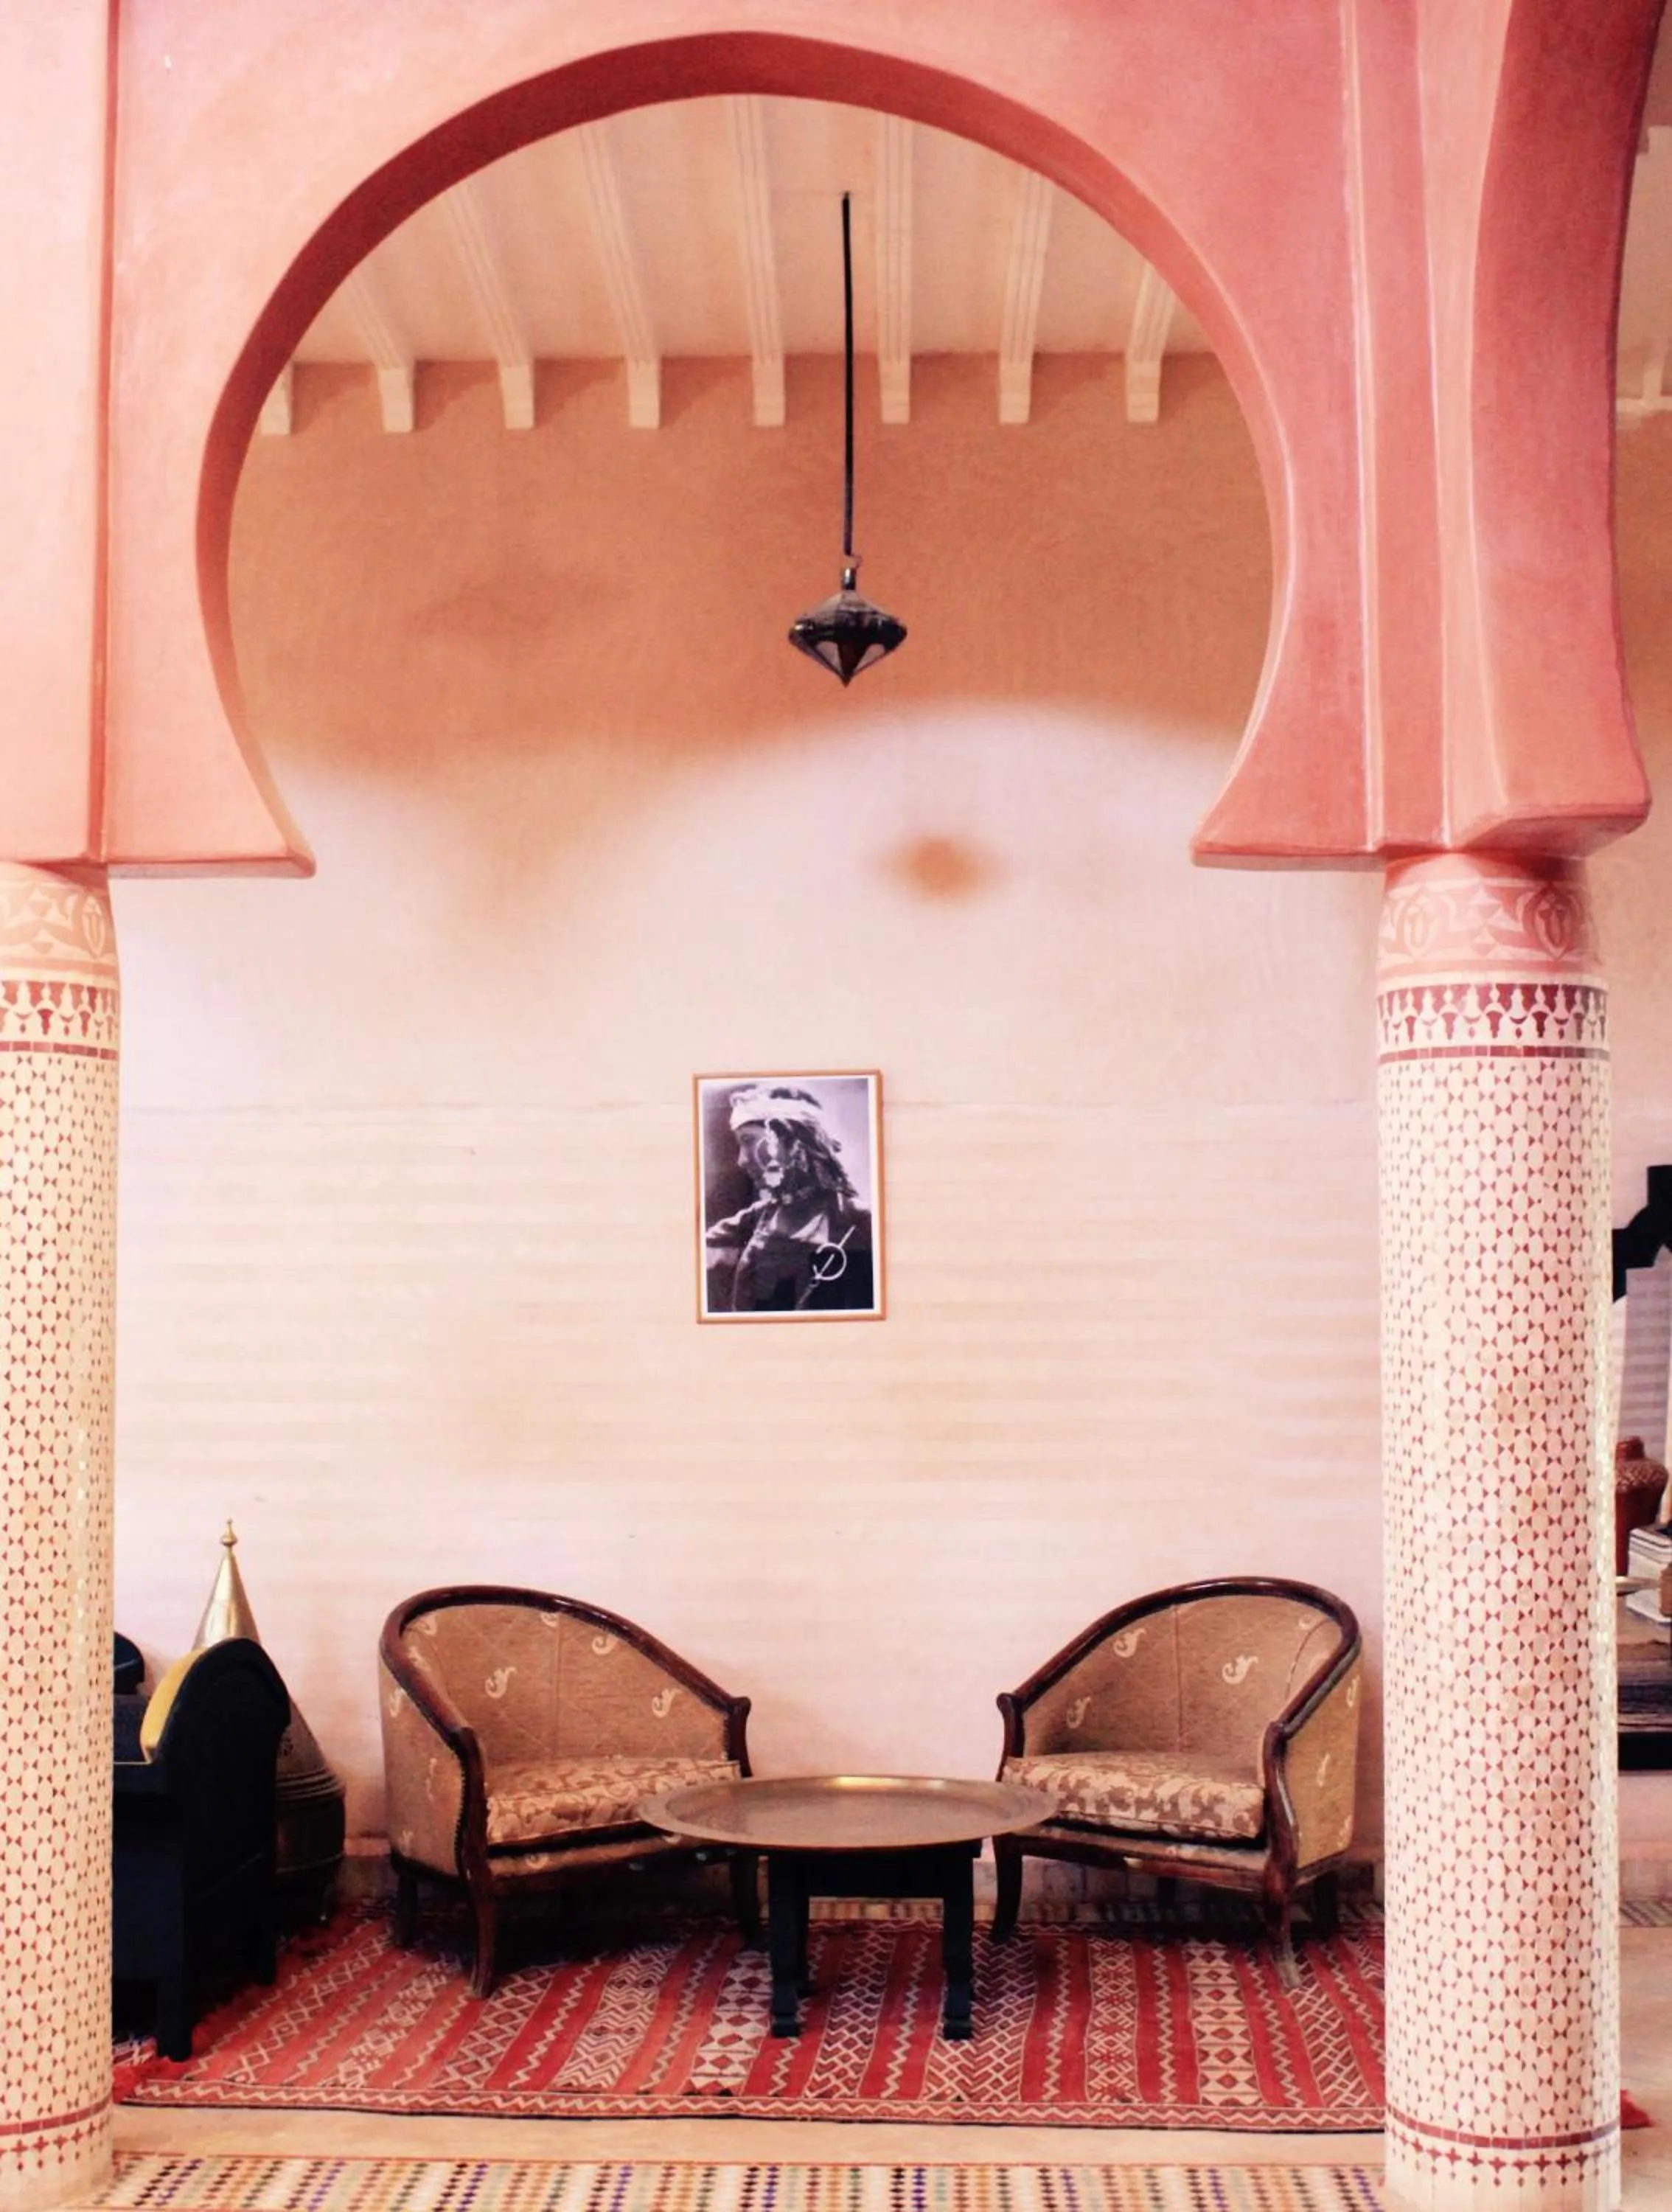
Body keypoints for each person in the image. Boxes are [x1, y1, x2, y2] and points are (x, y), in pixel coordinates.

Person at [705, 1084, 874, 1313]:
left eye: (748, 1140)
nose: (741, 1161)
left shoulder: (862, 1223)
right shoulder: (753, 1220)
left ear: (793, 1141)